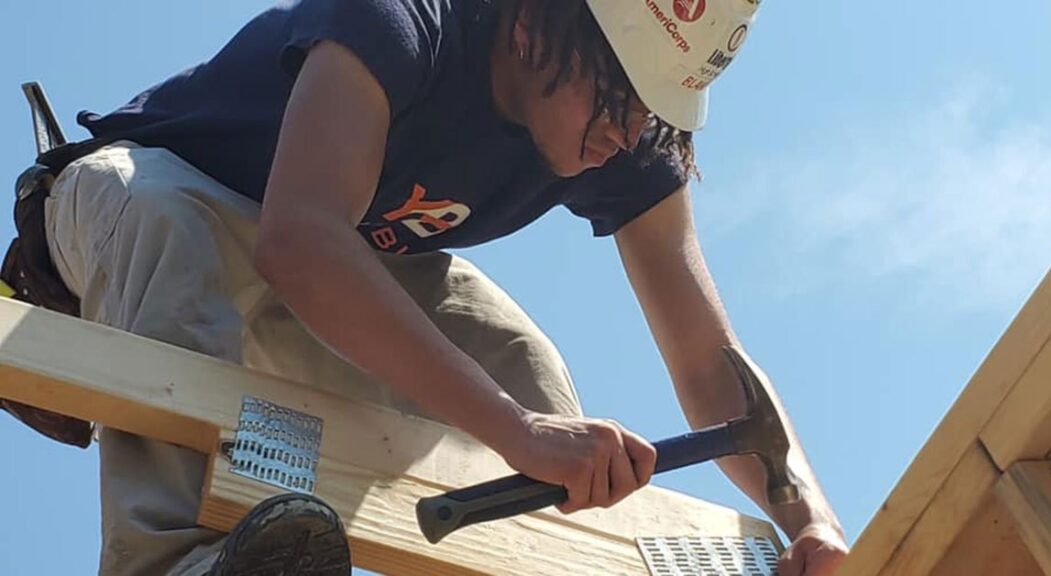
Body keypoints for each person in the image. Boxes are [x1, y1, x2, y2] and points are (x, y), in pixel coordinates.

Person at [35, 0, 849, 573]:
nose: (627, 133)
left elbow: (712, 365)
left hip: (328, 274)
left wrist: (807, 514)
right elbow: (300, 239)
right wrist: (519, 433)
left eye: (653, 111)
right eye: (620, 93)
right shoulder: (404, 14)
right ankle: (175, 565)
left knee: (520, 364)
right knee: (173, 230)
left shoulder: (615, 134)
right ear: (534, 22)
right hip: (142, 201)